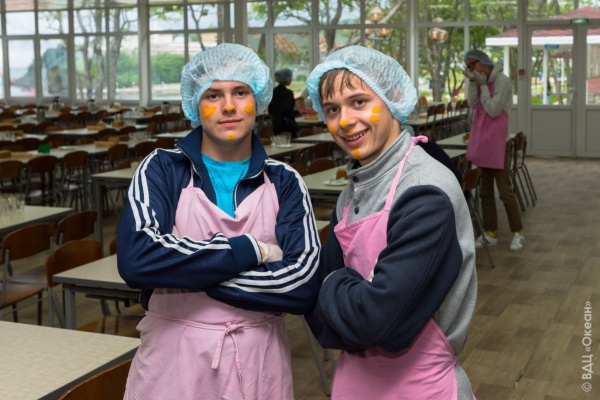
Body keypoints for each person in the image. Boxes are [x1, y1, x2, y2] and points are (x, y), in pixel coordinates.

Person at [117, 43, 320, 399]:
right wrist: (253, 250)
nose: (228, 106)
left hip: (260, 366)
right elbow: (138, 259)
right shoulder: (163, 169)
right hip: (172, 366)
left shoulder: (284, 180)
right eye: (213, 95)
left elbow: (302, 285)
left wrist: (189, 271)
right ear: (195, 104)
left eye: (240, 92)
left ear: (258, 100)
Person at [304, 45, 477, 399]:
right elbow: (318, 315)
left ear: (392, 98)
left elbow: (379, 322)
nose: (344, 121)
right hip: (353, 385)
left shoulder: (425, 190)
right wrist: (351, 296)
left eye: (358, 102)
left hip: (420, 389)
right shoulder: (349, 195)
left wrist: (331, 283)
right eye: (332, 109)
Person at [463, 49, 525, 251]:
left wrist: (483, 86)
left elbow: (494, 110)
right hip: (482, 141)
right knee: (485, 192)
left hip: (498, 143)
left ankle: (518, 232)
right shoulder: (478, 81)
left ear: (484, 62)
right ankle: (490, 232)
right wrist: (473, 83)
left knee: (505, 191)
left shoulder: (502, 81)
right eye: (468, 66)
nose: (471, 68)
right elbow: (472, 104)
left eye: (473, 64)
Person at [268, 67, 299, 137]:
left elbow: (270, 110)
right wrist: (297, 112)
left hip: (276, 125)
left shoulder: (273, 92)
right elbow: (287, 111)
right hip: (287, 126)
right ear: (287, 79)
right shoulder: (288, 93)